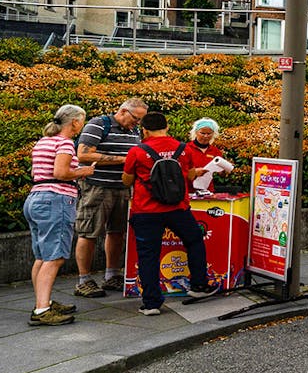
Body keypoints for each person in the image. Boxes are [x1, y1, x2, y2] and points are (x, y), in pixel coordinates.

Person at [122, 112, 220, 315]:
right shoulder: (183, 149)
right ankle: (199, 286)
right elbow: (191, 175)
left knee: (148, 254)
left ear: (145, 130)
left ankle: (151, 304)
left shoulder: (137, 151)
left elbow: (127, 180)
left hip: (146, 210)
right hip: (178, 209)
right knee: (194, 240)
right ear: (166, 127)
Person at [25, 105, 95, 326]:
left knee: (42, 256)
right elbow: (61, 173)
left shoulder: (43, 141)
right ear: (74, 122)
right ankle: (42, 310)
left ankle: (41, 302)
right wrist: (83, 171)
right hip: (56, 200)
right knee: (55, 257)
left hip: (36, 198)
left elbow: (37, 173)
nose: (82, 125)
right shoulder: (64, 143)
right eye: (81, 121)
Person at [73, 97, 147, 298]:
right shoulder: (98, 124)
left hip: (123, 188)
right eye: (135, 119)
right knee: (88, 232)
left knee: (117, 232)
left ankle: (112, 275)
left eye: (140, 120)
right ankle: (84, 280)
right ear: (123, 111)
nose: (137, 123)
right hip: (97, 187)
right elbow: (83, 155)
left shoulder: (134, 130)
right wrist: (125, 160)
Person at [186, 117, 227, 192]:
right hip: (189, 191)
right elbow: (178, 171)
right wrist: (194, 172)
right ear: (196, 132)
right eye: (202, 133)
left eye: (209, 133)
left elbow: (223, 175)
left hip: (208, 192)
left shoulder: (215, 151)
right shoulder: (186, 148)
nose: (206, 136)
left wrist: (223, 170)